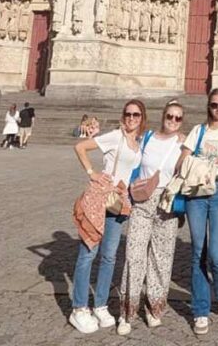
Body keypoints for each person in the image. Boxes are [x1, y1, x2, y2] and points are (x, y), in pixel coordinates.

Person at [69, 99, 147, 334]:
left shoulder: (140, 142)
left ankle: (100, 304)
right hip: (101, 197)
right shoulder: (116, 136)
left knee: (110, 256)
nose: (132, 118)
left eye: (136, 114)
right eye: (128, 114)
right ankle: (79, 308)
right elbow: (80, 147)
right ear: (124, 116)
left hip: (119, 202)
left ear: (142, 118)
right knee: (89, 251)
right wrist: (92, 173)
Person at [117, 101, 185, 335]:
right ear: (163, 115)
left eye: (178, 118)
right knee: (133, 255)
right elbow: (127, 152)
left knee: (161, 258)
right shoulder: (147, 138)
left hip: (167, 203)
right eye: (170, 116)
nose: (173, 121)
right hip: (142, 202)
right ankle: (127, 311)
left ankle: (154, 307)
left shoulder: (185, 143)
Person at [180, 88, 218, 336]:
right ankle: (200, 311)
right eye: (214, 105)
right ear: (208, 107)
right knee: (198, 252)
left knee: (217, 254)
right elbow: (182, 160)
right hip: (197, 191)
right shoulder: (198, 131)